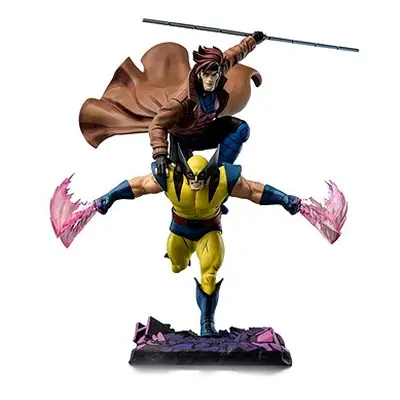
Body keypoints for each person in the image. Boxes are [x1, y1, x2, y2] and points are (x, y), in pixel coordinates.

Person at [94, 145, 301, 336]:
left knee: (209, 274)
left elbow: (253, 190)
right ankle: (178, 260)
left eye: (201, 177)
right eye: (191, 176)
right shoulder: (171, 178)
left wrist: (284, 199)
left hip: (208, 232)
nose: (195, 181)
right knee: (177, 266)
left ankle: (207, 323)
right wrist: (110, 196)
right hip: (180, 233)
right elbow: (139, 185)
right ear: (184, 172)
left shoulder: (221, 180)